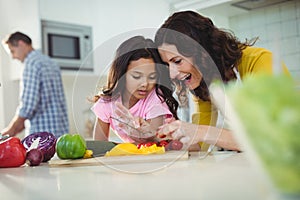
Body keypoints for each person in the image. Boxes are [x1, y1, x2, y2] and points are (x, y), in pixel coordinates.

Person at [152, 10, 291, 151]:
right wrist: (171, 136)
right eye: (167, 64)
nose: (172, 74)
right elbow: (200, 146)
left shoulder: (260, 61)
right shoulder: (204, 83)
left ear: (202, 51)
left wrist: (200, 131)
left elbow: (275, 138)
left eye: (177, 61)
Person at [91, 36, 178, 144]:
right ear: (122, 74)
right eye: (136, 76)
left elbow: (154, 141)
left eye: (152, 77)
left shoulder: (156, 98)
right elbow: (99, 146)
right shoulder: (107, 103)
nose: (145, 84)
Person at [1, 31, 69, 138]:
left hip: (41, 139)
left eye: (12, 51)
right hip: (61, 135)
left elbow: (27, 108)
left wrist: (8, 132)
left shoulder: (31, 65)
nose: (13, 57)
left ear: (21, 43)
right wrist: (16, 128)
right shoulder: (51, 62)